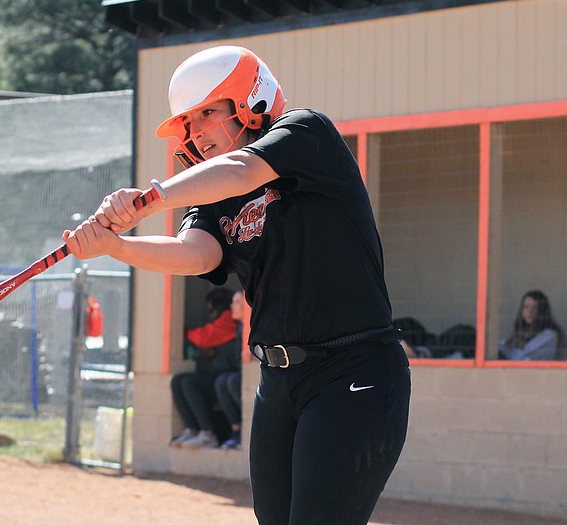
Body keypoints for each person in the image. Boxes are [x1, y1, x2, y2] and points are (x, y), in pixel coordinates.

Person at [63, 45, 411, 525]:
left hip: (353, 368)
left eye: (208, 111)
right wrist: (115, 247)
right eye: (187, 121)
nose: (197, 132)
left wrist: (147, 200)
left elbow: (242, 170)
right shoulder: (210, 195)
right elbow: (195, 253)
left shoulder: (306, 132)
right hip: (279, 379)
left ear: (253, 100)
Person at [171, 287, 241, 449]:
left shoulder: (229, 319)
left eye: (212, 308)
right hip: (219, 374)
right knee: (178, 381)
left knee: (190, 383)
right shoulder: (226, 320)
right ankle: (192, 429)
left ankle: (208, 433)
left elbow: (204, 337)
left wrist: (183, 332)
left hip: (228, 376)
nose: (211, 313)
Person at [214, 290, 245, 449]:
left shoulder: (252, 326)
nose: (232, 306)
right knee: (222, 380)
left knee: (232, 381)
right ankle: (237, 429)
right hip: (239, 372)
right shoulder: (239, 327)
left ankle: (247, 428)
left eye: (237, 302)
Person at [500, 290, 564, 361]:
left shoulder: (549, 335)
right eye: (526, 307)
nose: (529, 311)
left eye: (535, 307)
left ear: (542, 311)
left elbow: (525, 358)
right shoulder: (518, 334)